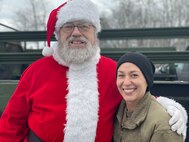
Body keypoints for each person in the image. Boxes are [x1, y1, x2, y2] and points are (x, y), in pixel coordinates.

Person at [0, 0, 187, 141]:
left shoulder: (112, 70)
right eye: (68, 26)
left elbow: (138, 96)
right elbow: (11, 123)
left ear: (94, 32)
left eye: (83, 26)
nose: (76, 33)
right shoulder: (36, 71)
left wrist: (167, 106)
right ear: (58, 34)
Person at [113, 52, 186, 142]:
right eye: (121, 75)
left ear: (147, 80)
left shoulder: (163, 124)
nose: (126, 82)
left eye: (134, 75)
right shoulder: (117, 112)